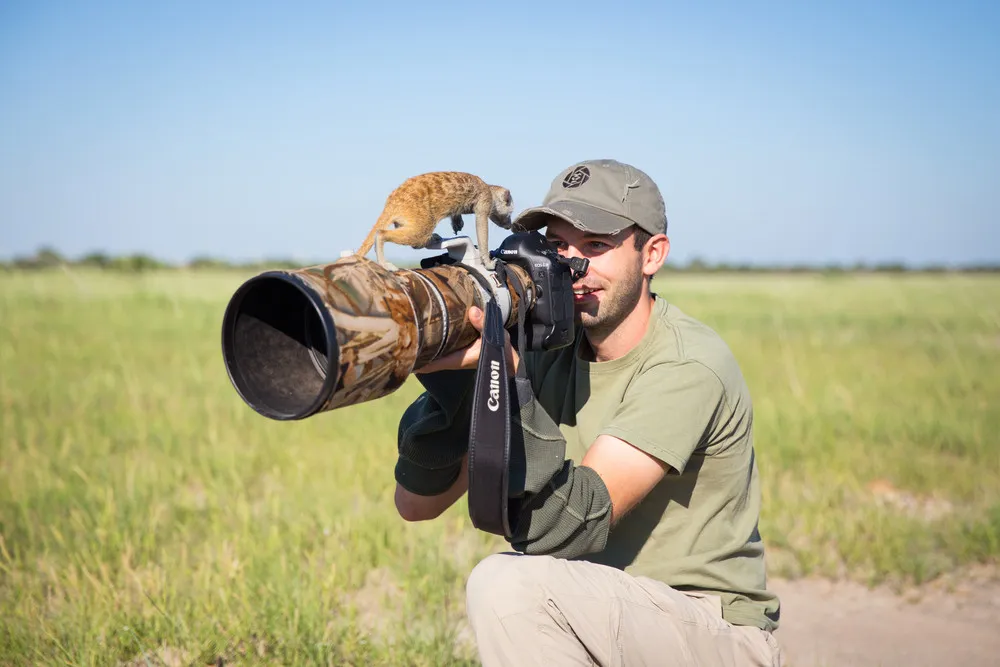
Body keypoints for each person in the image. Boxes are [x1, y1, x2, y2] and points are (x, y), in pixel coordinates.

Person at [391, 159, 783, 666]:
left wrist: (508, 385)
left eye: (596, 245)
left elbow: (573, 523)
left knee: (507, 586)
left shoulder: (687, 364)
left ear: (652, 255)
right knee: (519, 588)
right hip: (602, 612)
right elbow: (416, 504)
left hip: (710, 626)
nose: (572, 265)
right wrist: (460, 380)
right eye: (558, 245)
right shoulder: (546, 348)